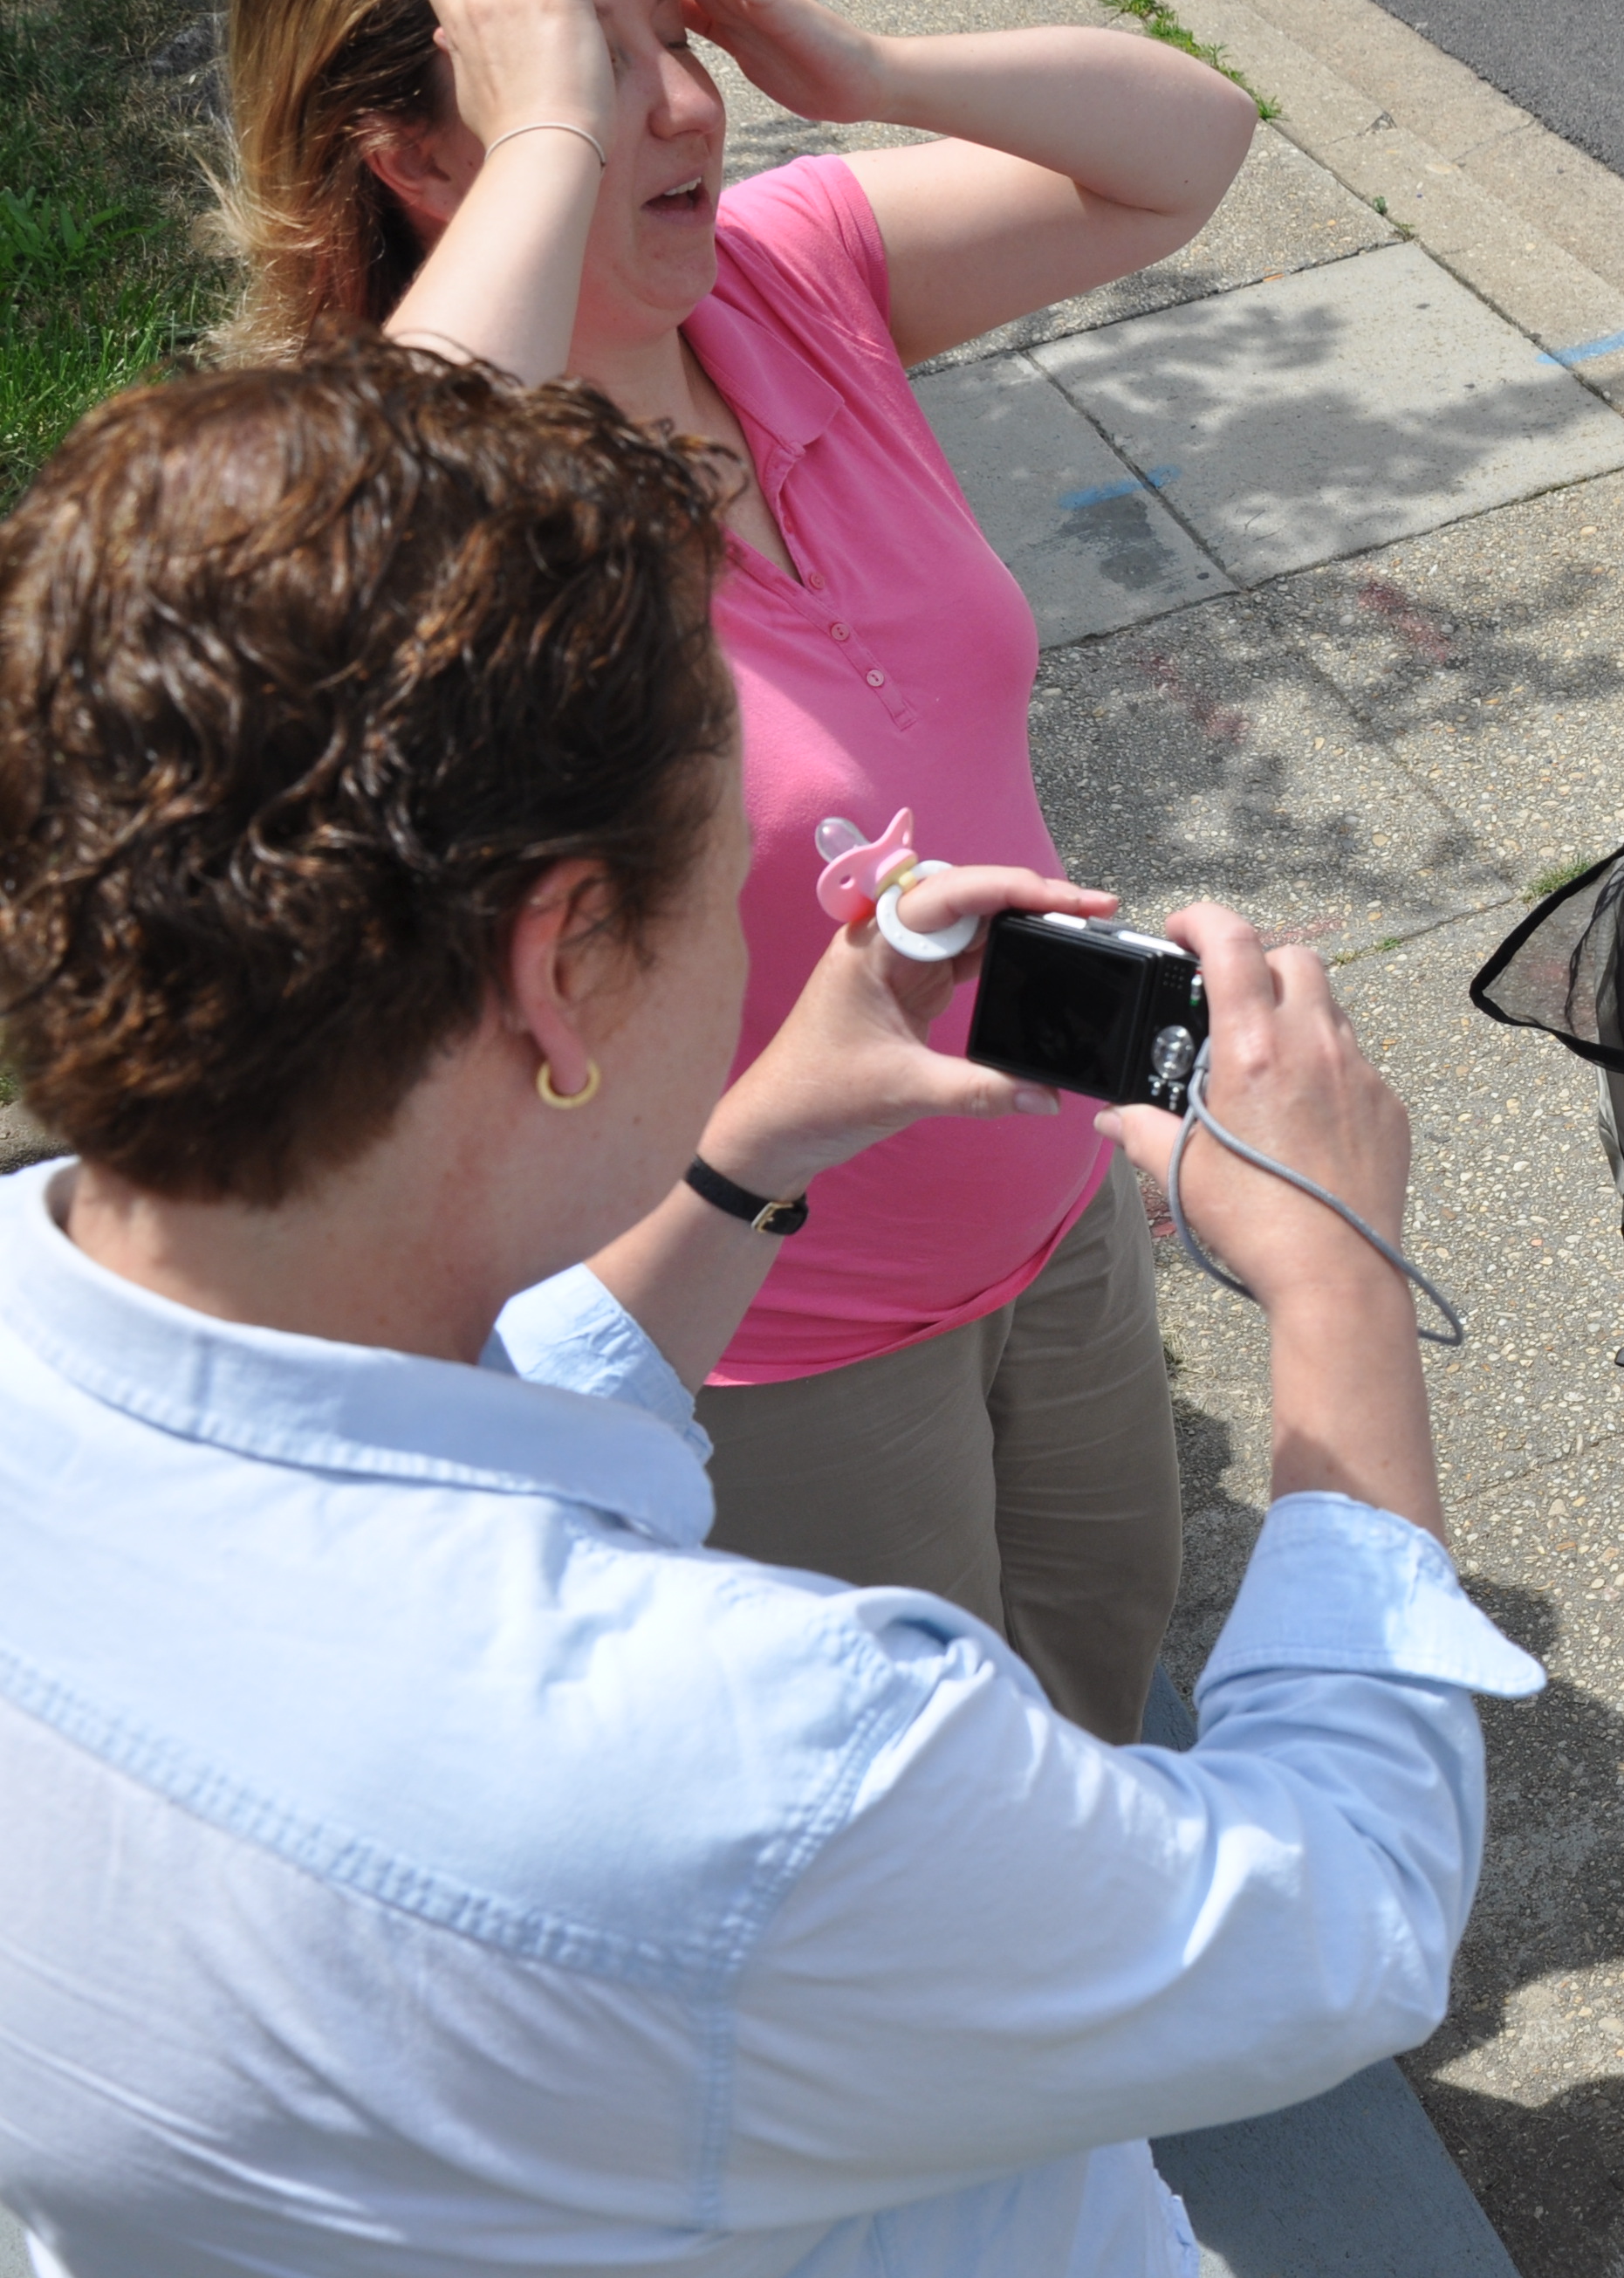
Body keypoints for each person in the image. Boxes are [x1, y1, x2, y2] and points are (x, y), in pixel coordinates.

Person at [0, 340, 1531, 2278]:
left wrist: (748, 1147)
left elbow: (412, 1433)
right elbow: (1342, 1916)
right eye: (725, 873)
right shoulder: (763, 1758)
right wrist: (1338, 1278)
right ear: (561, 967)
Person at [218, 0, 1265, 1739]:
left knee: (1103, 1675)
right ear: (420, 159)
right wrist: (553, 137)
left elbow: (1190, 148)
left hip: (1050, 1201)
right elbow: (343, 611)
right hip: (770, 1336)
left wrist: (860, 71)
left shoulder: (781, 280)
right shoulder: (441, 515)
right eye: (598, 68)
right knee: (918, 1796)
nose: (691, 108)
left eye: (680, 34)